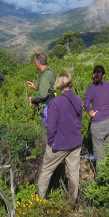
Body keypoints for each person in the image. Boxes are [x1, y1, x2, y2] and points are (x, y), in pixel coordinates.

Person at [37, 72, 83, 204]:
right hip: (75, 142)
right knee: (73, 174)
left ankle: (39, 203)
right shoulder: (78, 100)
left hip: (59, 144)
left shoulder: (56, 102)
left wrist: (51, 142)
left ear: (59, 84)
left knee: (46, 172)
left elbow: (51, 127)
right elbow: (79, 121)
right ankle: (71, 203)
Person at [26, 53, 56, 129]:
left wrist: (32, 99)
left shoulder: (45, 75)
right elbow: (47, 88)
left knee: (46, 132)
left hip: (47, 107)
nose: (35, 65)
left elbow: (43, 95)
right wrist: (35, 87)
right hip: (52, 104)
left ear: (38, 64)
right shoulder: (50, 72)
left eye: (35, 63)